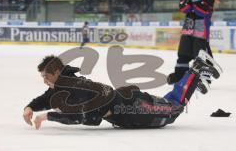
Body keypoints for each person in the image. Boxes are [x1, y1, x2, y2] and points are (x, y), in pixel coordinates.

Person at [23, 51, 221, 130]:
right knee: (169, 103)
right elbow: (47, 98)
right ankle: (193, 79)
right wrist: (30, 107)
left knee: (173, 110)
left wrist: (48, 116)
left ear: (56, 72)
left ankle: (198, 68)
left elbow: (83, 117)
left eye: (45, 76)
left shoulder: (75, 88)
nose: (44, 81)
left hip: (133, 109)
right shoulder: (63, 85)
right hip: (130, 105)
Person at [167, 0, 220, 85]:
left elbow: (202, 12)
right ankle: (180, 75)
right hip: (187, 30)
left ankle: (203, 77)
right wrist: (191, 0)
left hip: (201, 32)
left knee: (201, 56)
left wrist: (194, 2)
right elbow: (184, 8)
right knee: (183, 54)